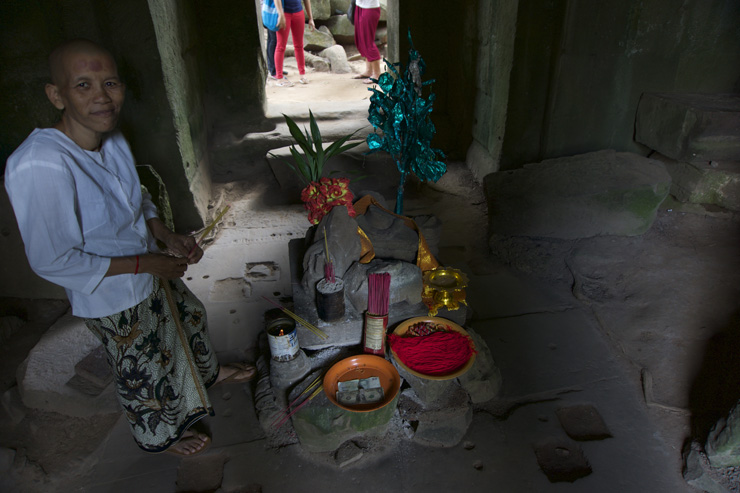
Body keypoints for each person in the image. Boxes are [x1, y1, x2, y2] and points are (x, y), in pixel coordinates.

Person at [4, 39, 255, 456]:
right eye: (83, 85)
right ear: (56, 94)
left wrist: (166, 236)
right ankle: (162, 435)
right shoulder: (41, 162)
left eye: (110, 83)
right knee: (142, 361)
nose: (102, 96)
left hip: (148, 264)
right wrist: (146, 263)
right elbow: (53, 259)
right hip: (111, 291)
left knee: (187, 317)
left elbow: (137, 197)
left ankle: (206, 375)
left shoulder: (112, 138)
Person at [274, 0, 315, 86]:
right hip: (284, 13)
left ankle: (302, 75)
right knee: (281, 46)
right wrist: (280, 14)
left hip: (298, 12)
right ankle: (279, 78)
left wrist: (311, 18)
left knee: (299, 45)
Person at [353, 0, 382, 84]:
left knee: (368, 41)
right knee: (361, 39)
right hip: (360, 6)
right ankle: (369, 71)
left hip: (370, 8)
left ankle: (377, 74)